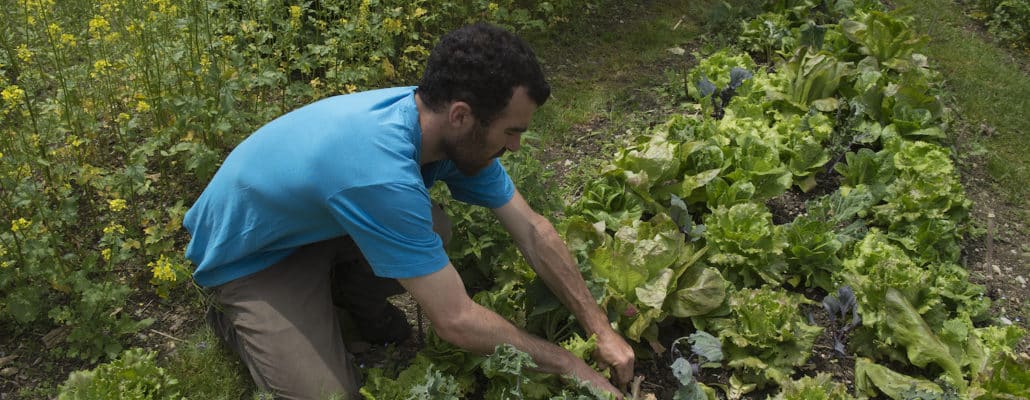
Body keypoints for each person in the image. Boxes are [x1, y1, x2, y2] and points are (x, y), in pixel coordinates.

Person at [183, 23, 635, 400]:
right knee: (325, 394)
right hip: (252, 255)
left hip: (315, 222)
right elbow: (456, 321)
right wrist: (569, 364)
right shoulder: (379, 172)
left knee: (433, 229)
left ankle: (337, 293)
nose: (515, 146)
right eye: (511, 131)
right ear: (462, 116)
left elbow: (533, 230)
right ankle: (239, 319)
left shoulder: (440, 126)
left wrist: (601, 331)